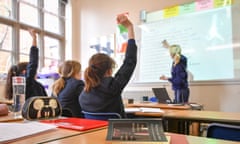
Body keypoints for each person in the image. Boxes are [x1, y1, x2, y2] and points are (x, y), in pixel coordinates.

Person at [79, 13, 137, 118]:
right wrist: (129, 28)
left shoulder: (83, 94)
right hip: (116, 133)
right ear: (109, 70)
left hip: (93, 134)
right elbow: (130, 61)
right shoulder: (113, 86)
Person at [5, 29, 47, 100]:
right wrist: (34, 39)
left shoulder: (36, 85)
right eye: (35, 71)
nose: (36, 73)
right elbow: (33, 63)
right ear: (25, 72)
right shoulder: (25, 83)